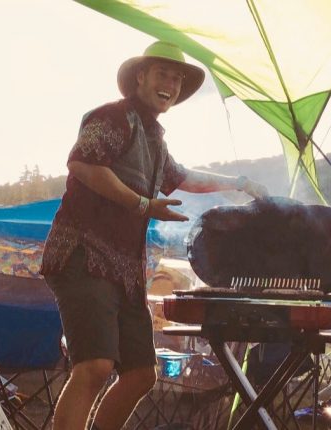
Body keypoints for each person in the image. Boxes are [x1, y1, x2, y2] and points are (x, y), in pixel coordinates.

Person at [40, 40, 268, 430]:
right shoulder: (113, 117)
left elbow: (181, 178)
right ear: (140, 76)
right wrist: (141, 204)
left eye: (178, 78)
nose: (172, 84)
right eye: (163, 74)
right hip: (83, 254)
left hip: (125, 271)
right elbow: (82, 163)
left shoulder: (154, 138)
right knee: (94, 366)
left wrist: (241, 182)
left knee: (141, 374)